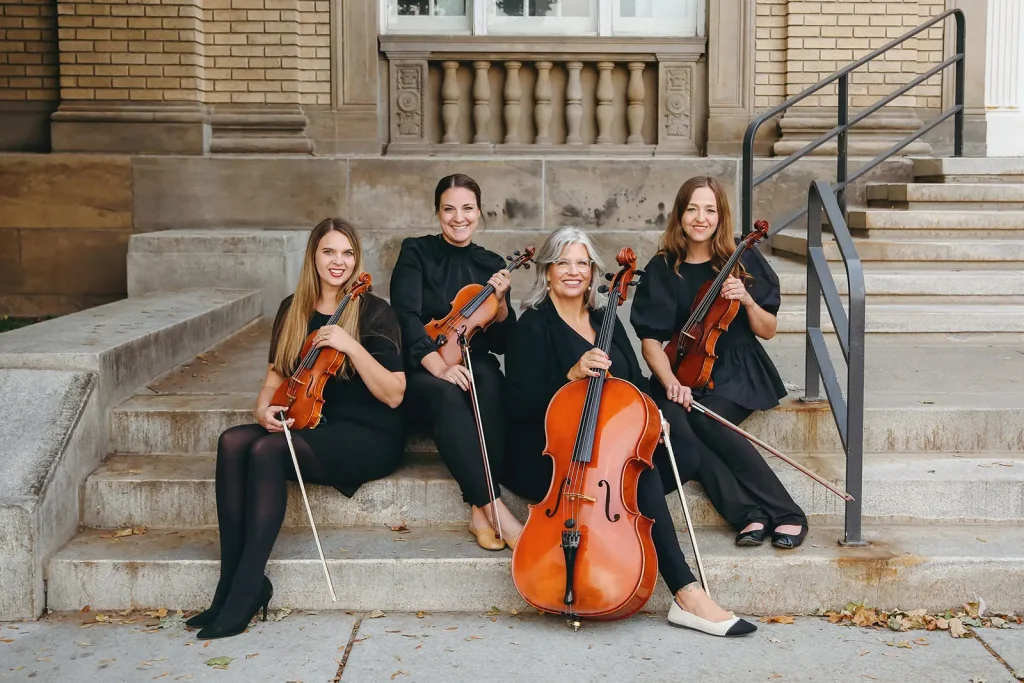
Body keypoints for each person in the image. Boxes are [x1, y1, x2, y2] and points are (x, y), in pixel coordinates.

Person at [501, 226, 756, 638]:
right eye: (563, 263)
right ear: (546, 271)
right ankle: (687, 593)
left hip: (605, 448)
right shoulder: (532, 325)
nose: (573, 271)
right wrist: (570, 376)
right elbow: (517, 403)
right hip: (551, 457)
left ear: (592, 272)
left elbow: (633, 379)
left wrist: (651, 413)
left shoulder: (605, 318)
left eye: (582, 263)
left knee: (682, 454)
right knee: (642, 475)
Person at [186, 218, 407, 639]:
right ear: (313, 257)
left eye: (347, 253)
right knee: (232, 442)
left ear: (357, 259)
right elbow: (274, 378)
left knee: (267, 451)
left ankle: (248, 587)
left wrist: (350, 345)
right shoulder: (293, 308)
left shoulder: (375, 311)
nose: (339, 261)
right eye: (329, 252)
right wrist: (262, 411)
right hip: (309, 419)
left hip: (367, 432)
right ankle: (227, 585)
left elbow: (395, 394)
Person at [630, 176, 808, 549]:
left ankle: (788, 514)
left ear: (721, 216)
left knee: (706, 420)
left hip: (738, 370)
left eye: (709, 210)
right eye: (692, 209)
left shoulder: (742, 259)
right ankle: (748, 515)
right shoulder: (664, 267)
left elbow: (768, 330)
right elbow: (650, 342)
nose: (701, 218)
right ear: (680, 215)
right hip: (681, 369)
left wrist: (747, 300)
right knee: (680, 430)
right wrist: (671, 383)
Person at [389, 173, 523, 551]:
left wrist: (501, 304)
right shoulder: (415, 251)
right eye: (449, 209)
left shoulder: (491, 263)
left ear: (479, 212)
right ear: (438, 213)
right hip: (423, 360)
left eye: (467, 208)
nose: (458, 218)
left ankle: (478, 513)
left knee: (489, 384)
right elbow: (405, 316)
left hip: (471, 359)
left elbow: (502, 341)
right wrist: (439, 367)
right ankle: (498, 513)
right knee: (447, 393)